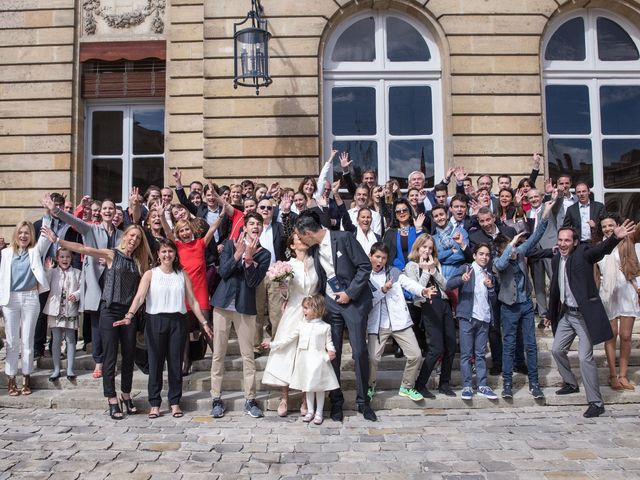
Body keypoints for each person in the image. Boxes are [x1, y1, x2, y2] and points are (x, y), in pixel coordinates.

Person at [43, 223, 153, 420]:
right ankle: (111, 398)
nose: (134, 240)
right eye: (131, 235)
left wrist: (131, 313)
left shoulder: (140, 261)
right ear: (125, 236)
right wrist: (58, 240)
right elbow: (85, 249)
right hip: (109, 310)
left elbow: (141, 291)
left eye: (138, 237)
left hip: (129, 312)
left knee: (128, 356)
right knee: (110, 356)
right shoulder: (111, 254)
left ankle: (126, 395)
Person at [546, 220, 636, 418]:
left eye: (567, 240)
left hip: (584, 316)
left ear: (575, 242)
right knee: (556, 349)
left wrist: (614, 238)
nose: (562, 244)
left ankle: (596, 402)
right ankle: (570, 382)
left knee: (585, 358)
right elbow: (555, 287)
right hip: (567, 314)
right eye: (560, 240)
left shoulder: (583, 253)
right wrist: (549, 313)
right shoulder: (556, 259)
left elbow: (599, 251)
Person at [295, 211, 376, 422]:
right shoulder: (312, 251)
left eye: (300, 235)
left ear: (308, 233)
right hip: (331, 304)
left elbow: (364, 266)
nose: (300, 240)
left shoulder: (344, 238)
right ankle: (336, 402)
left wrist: (350, 293)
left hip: (354, 302)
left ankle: (363, 402)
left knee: (359, 351)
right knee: (333, 353)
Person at [124, 238, 213, 418]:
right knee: (155, 363)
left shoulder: (182, 275)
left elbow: (193, 301)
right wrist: (129, 315)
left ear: (175, 254)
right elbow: (140, 297)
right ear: (158, 254)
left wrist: (204, 322)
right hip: (155, 320)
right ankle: (155, 403)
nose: (167, 255)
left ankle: (174, 402)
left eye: (170, 251)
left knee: (175, 363)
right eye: (163, 251)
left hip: (178, 321)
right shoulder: (150, 274)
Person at [42, 193, 124, 380]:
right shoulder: (91, 229)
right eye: (105, 208)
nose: (108, 211)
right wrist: (56, 211)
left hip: (114, 284)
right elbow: (74, 221)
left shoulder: (121, 235)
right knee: (96, 325)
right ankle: (99, 362)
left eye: (111, 208)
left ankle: (110, 362)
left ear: (116, 212)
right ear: (101, 212)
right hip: (96, 282)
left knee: (111, 325)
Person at [209, 212, 271, 419]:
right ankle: (216, 398)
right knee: (218, 353)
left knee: (248, 356)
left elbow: (253, 282)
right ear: (244, 227)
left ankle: (250, 399)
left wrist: (249, 258)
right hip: (223, 305)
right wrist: (237, 254)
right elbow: (223, 273)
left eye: (258, 224)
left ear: (262, 228)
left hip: (245, 307)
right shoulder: (229, 244)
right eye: (251, 223)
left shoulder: (265, 254)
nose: (255, 226)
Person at [492, 198, 554, 400]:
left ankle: (535, 383)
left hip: (525, 304)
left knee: (530, 344)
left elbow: (536, 236)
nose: (513, 252)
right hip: (508, 307)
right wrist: (510, 246)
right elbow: (501, 265)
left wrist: (544, 215)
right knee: (509, 345)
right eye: (509, 249)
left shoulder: (520, 253)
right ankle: (507, 384)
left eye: (514, 249)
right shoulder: (497, 260)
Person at [261, 233, 317, 416]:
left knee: (306, 355)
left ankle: (304, 399)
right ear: (292, 246)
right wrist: (284, 290)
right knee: (287, 354)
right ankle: (284, 398)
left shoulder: (317, 262)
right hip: (294, 310)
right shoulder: (288, 265)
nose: (301, 241)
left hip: (312, 312)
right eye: (297, 239)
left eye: (303, 238)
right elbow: (285, 294)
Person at [262, 294, 339, 425]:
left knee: (319, 389)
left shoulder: (325, 327)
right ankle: (310, 411)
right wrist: (272, 344)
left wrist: (331, 351)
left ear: (316, 309)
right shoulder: (302, 325)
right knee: (307, 387)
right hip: (305, 361)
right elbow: (288, 339)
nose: (303, 311)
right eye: (304, 308)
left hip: (319, 361)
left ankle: (319, 413)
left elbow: (329, 342)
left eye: (306, 308)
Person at [366, 243, 429, 402]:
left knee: (415, 355)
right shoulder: (365, 276)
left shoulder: (394, 272)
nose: (380, 261)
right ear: (370, 256)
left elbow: (409, 283)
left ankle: (407, 386)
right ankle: (370, 385)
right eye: (377, 257)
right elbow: (368, 302)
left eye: (384, 258)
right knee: (373, 358)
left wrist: (422, 290)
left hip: (400, 321)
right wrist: (383, 290)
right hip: (378, 324)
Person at [0, 218, 51, 396]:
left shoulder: (34, 251)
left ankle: (26, 377)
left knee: (27, 340)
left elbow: (45, 236)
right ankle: (11, 377)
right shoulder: (6, 253)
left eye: (27, 233)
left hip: (30, 297)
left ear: (31, 236)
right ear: (16, 234)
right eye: (20, 232)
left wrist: (49, 213)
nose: (23, 236)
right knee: (12, 341)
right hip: (10, 298)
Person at [404, 234, 456, 399]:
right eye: (424, 247)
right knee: (436, 348)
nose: (427, 251)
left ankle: (444, 383)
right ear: (418, 248)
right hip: (428, 306)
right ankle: (420, 384)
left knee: (451, 346)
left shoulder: (436, 263)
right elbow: (417, 289)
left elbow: (445, 285)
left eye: (430, 248)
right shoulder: (411, 265)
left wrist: (434, 270)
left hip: (443, 304)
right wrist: (426, 271)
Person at [447, 244, 499, 401]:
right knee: (466, 354)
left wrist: (490, 288)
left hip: (484, 318)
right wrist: (461, 280)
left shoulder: (489, 275)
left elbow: (493, 300)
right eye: (481, 254)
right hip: (467, 317)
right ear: (475, 255)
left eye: (487, 255)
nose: (484, 257)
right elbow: (449, 285)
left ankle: (482, 385)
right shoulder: (466, 268)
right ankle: (467, 385)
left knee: (481, 354)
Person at [596, 214, 640, 391]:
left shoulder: (627, 241)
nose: (607, 228)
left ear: (618, 225)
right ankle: (613, 376)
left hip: (626, 291)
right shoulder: (599, 247)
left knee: (627, 335)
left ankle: (623, 375)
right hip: (608, 293)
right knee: (611, 334)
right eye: (604, 226)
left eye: (610, 225)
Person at [42, 248, 81, 382]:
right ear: (57, 259)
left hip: (70, 309)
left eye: (68, 257)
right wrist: (47, 270)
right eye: (62, 257)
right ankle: (56, 368)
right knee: (56, 339)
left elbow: (82, 288)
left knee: (70, 339)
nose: (65, 260)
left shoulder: (77, 273)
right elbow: (44, 284)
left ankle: (70, 368)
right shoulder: (52, 272)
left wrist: (76, 295)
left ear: (72, 258)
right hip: (55, 309)